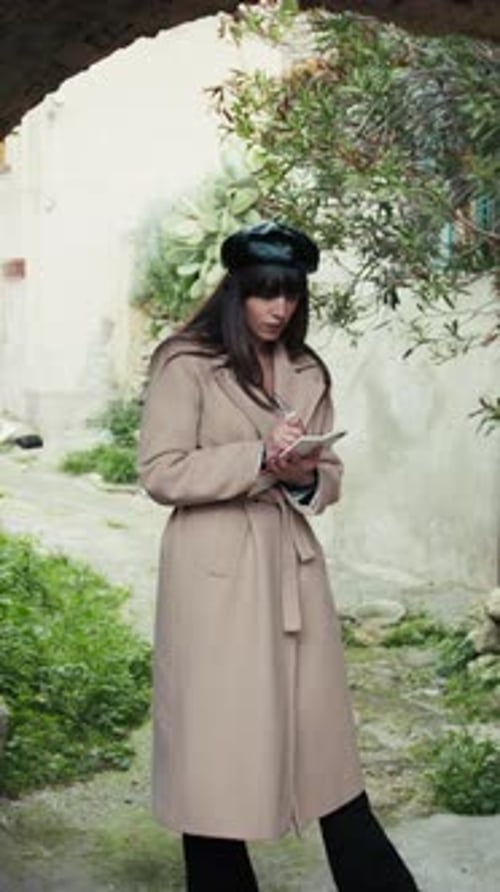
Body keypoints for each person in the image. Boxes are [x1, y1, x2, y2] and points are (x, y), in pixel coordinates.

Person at [138, 220, 419, 891]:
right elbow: (160, 471)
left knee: (325, 748)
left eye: (290, 294)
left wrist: (301, 475)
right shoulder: (187, 363)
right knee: (215, 750)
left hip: (291, 567)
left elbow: (329, 477)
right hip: (215, 576)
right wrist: (258, 457)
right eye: (265, 293)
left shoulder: (306, 369)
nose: (279, 308)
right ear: (236, 291)